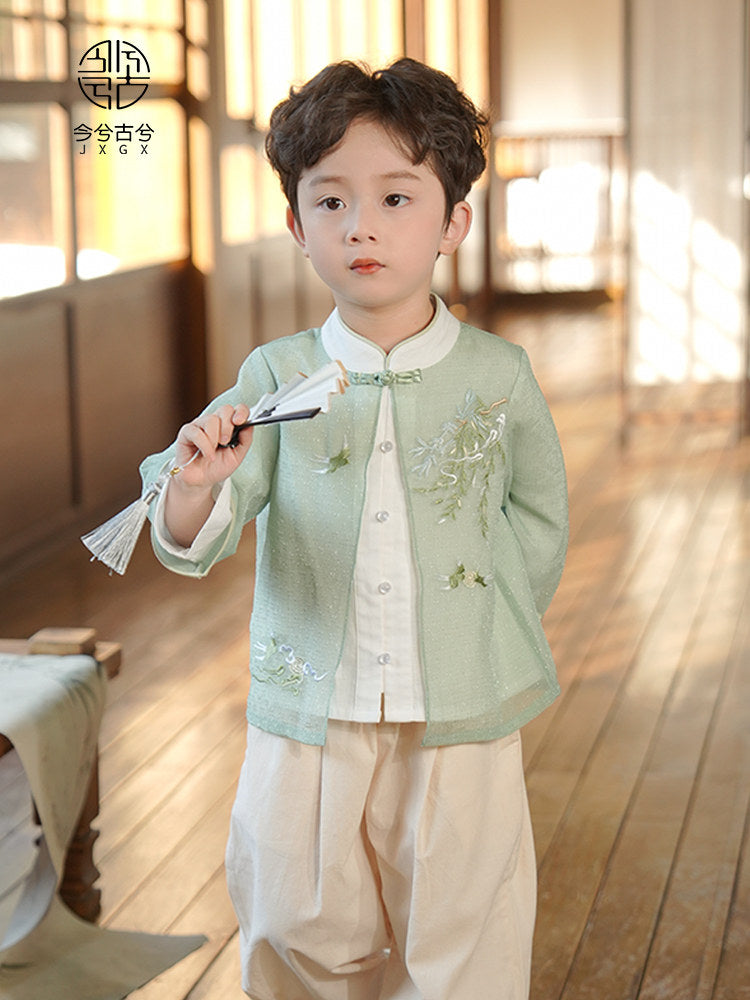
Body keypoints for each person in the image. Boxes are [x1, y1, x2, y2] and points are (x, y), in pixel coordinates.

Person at [140, 57, 568, 1000]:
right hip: (308, 710)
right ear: (296, 225)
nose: (361, 226)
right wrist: (197, 485)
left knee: (467, 931)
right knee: (294, 915)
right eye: (329, 203)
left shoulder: (498, 376)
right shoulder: (274, 374)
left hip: (461, 706)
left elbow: (538, 518)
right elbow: (201, 513)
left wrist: (485, 618)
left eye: (395, 198)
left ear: (454, 221)